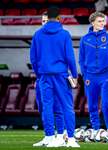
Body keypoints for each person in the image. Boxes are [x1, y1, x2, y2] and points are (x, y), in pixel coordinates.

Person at [30, 6, 80, 147]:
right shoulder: (65, 34)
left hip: (44, 76)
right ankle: (70, 139)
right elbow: (70, 57)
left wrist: (40, 74)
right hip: (61, 76)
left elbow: (33, 58)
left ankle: (50, 138)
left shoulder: (37, 34)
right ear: (59, 18)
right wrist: (74, 75)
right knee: (67, 106)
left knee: (47, 107)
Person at [79, 12, 108, 132]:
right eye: (100, 21)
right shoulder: (85, 39)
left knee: (107, 104)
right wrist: (84, 74)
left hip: (105, 76)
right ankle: (96, 130)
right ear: (93, 23)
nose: (102, 23)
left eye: (103, 21)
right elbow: (81, 59)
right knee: (92, 106)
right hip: (89, 77)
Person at [33, 12, 68, 147]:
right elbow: (34, 58)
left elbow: (66, 56)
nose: (45, 23)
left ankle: (59, 136)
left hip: (55, 77)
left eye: (47, 20)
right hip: (42, 78)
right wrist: (39, 76)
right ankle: (48, 137)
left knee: (57, 108)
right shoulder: (38, 35)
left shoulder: (60, 35)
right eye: (43, 21)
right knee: (43, 108)